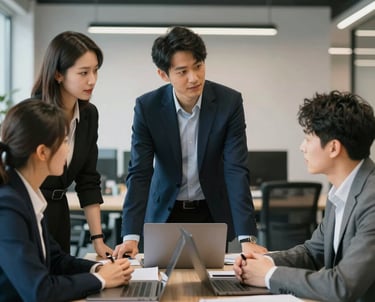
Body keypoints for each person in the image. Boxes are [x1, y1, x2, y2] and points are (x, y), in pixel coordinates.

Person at [114, 26, 267, 258]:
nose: (194, 78)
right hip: (164, 212)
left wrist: (247, 237)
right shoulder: (148, 108)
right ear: (164, 75)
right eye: (182, 71)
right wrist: (130, 236)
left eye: (198, 66)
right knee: (159, 284)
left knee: (211, 283)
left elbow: (235, 169)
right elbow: (140, 172)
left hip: (210, 212)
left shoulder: (229, 103)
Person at [233, 90, 375, 302]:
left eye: (308, 138)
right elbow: (312, 253)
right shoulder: (341, 192)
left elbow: (343, 286)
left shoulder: (371, 199)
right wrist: (263, 261)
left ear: (334, 148)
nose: (302, 147)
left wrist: (269, 275)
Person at [0, 98, 133, 302]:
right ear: (42, 152)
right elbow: (40, 291)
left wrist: (100, 267)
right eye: (63, 142)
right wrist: (100, 279)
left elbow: (56, 259)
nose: (68, 149)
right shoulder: (8, 206)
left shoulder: (27, 195)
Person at [31, 31, 112, 257]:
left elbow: (87, 179)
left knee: (62, 277)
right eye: (84, 72)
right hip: (31, 213)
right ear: (58, 74)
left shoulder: (88, 116)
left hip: (60, 213)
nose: (92, 80)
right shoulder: (33, 114)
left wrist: (97, 240)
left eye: (95, 71)